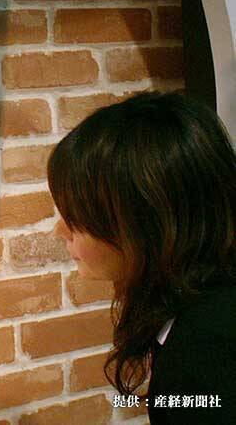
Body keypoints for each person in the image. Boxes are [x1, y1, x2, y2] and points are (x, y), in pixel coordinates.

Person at [48, 91, 235, 424]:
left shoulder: (206, 354)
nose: (60, 230)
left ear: (144, 224)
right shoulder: (194, 308)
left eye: (76, 216)